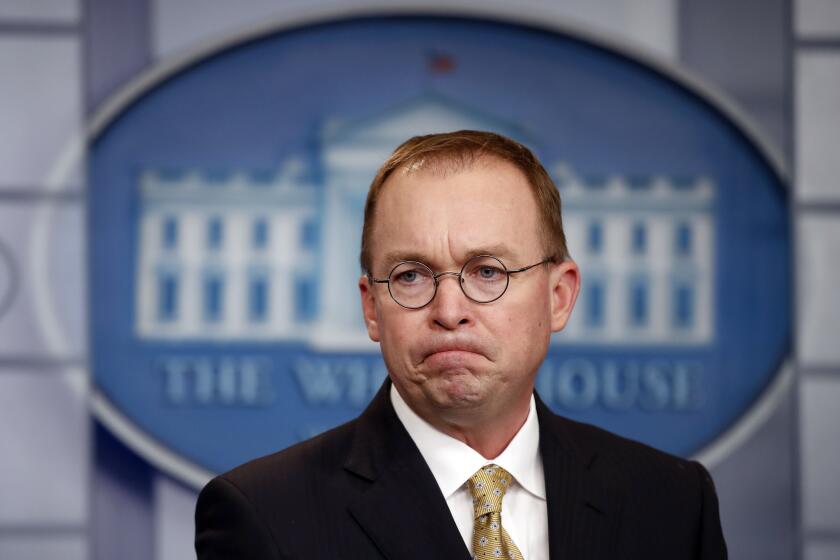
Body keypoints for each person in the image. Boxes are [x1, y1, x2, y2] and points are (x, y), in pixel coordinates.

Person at [195, 130, 727, 559]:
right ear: (370, 307)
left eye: (488, 271)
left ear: (558, 297)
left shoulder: (673, 503)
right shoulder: (264, 515)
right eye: (410, 276)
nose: (449, 312)